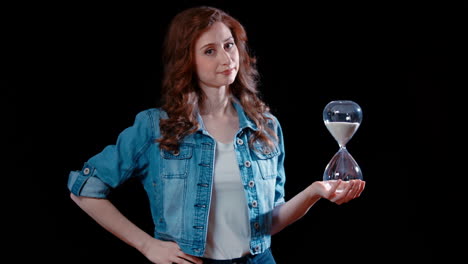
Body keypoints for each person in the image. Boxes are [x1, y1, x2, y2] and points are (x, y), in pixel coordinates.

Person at [67, 6, 365, 264]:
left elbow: (268, 224)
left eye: (229, 45)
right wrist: (147, 245)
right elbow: (85, 188)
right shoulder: (156, 127)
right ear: (187, 61)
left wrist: (315, 191)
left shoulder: (266, 126)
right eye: (210, 51)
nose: (226, 58)